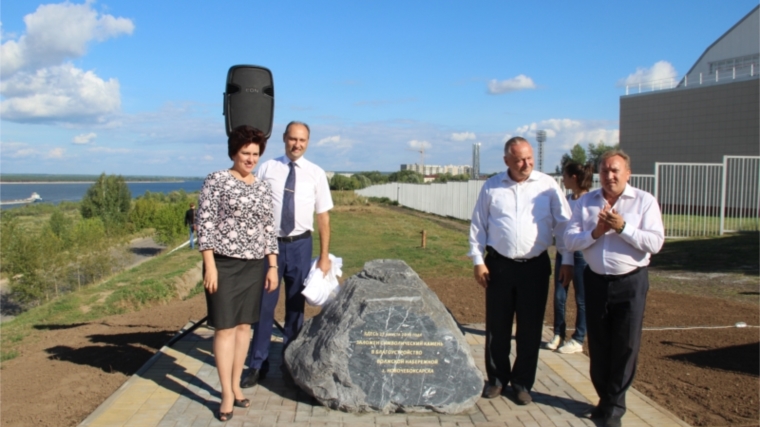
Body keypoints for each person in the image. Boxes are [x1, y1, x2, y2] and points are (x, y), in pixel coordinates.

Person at [468, 136, 574, 405]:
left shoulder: (548, 186)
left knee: (530, 329)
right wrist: (478, 260)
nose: (525, 164)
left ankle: (523, 382)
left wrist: (569, 260)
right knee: (498, 327)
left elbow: (564, 226)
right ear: (507, 161)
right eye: (519, 160)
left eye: (529, 159)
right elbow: (478, 226)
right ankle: (497, 379)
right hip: (499, 266)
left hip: (535, 267)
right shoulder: (492, 187)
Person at [564, 150, 664, 427]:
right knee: (598, 344)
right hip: (595, 280)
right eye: (605, 171)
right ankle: (605, 400)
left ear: (627, 173)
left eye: (616, 170)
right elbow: (570, 240)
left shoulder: (644, 202)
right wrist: (595, 233)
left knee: (625, 345)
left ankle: (614, 408)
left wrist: (623, 228)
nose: (610, 176)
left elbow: (655, 243)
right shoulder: (587, 202)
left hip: (630, 282)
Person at [241, 121, 333, 388]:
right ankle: (257, 364)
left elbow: (323, 217)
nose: (297, 144)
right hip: (269, 247)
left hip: (301, 245)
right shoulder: (268, 168)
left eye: (302, 140)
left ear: (308, 142)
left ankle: (290, 363)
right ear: (284, 139)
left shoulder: (316, 174)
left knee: (295, 308)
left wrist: (324, 256)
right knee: (264, 306)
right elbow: (254, 208)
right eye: (293, 139)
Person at [196, 125, 279, 422]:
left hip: (255, 266)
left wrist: (272, 265)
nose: (251, 159)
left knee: (244, 327)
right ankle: (226, 394)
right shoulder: (216, 180)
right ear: (234, 151)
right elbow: (203, 225)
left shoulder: (262, 186)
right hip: (224, 265)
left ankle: (236, 385)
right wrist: (210, 266)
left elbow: (269, 228)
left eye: (255, 154)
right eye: (246, 153)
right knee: (225, 328)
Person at [541, 161, 593, 354]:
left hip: (581, 255)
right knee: (559, 295)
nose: (562, 179)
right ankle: (558, 333)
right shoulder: (566, 199)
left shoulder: (590, 201)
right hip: (563, 253)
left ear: (574, 177)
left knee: (581, 298)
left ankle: (578, 338)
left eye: (564, 175)